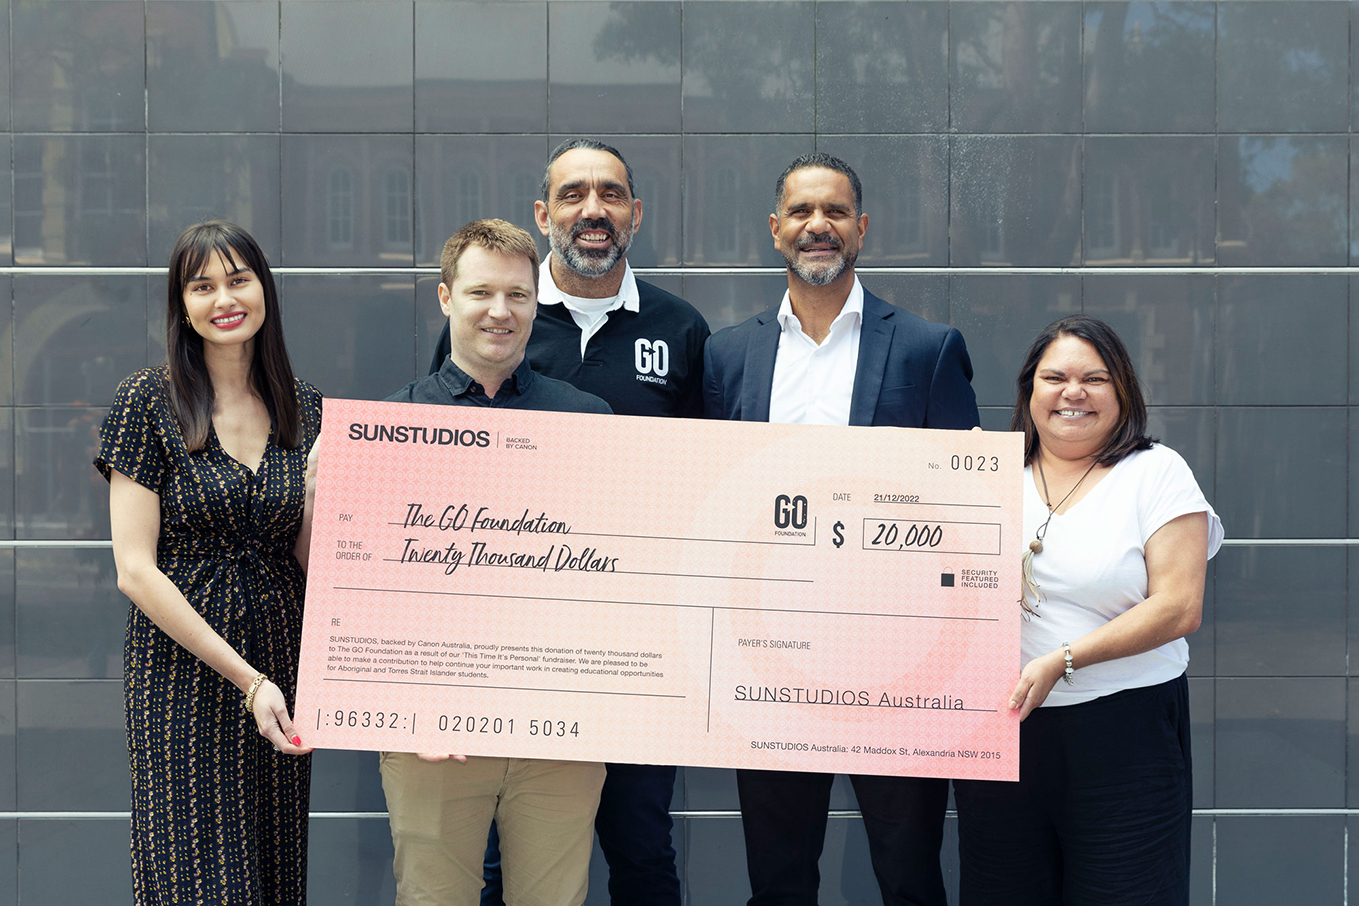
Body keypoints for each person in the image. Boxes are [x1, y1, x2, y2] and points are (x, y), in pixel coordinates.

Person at [428, 138, 708, 905]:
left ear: (635, 214)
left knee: (644, 852)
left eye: (611, 194)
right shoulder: (499, 316)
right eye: (575, 195)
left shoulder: (682, 328)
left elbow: (707, 482)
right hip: (510, 653)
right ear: (543, 213)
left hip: (635, 650)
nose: (594, 210)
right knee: (502, 860)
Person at [704, 153, 979, 906]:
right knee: (779, 875)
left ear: (860, 229)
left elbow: (964, 510)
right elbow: (709, 500)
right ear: (773, 230)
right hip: (770, 659)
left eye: (833, 213)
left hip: (897, 664)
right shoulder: (728, 354)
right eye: (799, 212)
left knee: (908, 869)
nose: (815, 226)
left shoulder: (927, 348)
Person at [952, 315, 1223, 906]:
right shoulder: (985, 473)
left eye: (1094, 378)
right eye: (1055, 377)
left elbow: (1179, 606)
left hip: (1125, 736)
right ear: (1029, 391)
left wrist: (1063, 659)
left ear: (1121, 390)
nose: (1073, 392)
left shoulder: (1156, 472)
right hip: (1004, 734)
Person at [381, 219, 611, 906]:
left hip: (559, 731)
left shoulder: (592, 422)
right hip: (430, 731)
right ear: (446, 297)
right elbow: (366, 592)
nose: (499, 311)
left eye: (517, 293)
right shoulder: (388, 428)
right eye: (481, 292)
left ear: (535, 301)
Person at [95, 221, 320, 905]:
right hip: (186, 680)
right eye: (203, 285)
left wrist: (320, 496)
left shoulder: (304, 408)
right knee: (199, 881)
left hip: (281, 669)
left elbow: (309, 560)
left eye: (238, 279)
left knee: (272, 876)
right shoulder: (147, 402)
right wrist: (249, 682)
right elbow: (134, 570)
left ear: (264, 291)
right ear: (182, 304)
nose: (224, 298)